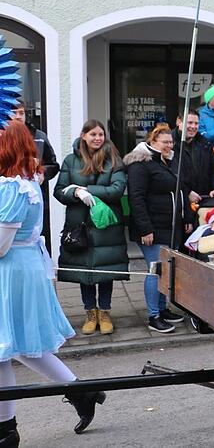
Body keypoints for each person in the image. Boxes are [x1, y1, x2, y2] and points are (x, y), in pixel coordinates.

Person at [0, 122, 107, 442]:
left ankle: (6, 429)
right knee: (17, 347)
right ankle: (81, 393)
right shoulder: (25, 182)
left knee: (5, 348)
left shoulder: (13, 187)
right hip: (23, 267)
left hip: (14, 271)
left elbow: (1, 245)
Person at [53, 120, 129, 336]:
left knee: (105, 271)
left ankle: (105, 312)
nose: (97, 138)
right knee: (84, 271)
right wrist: (75, 193)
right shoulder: (70, 160)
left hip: (106, 227)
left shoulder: (114, 159)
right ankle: (90, 312)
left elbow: (117, 189)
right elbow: (59, 191)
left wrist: (86, 189)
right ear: (84, 136)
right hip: (79, 226)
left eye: (101, 135)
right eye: (93, 134)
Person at [124, 123, 194, 333]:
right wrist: (146, 229)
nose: (169, 145)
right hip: (152, 227)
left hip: (171, 226)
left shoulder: (169, 161)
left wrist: (187, 217)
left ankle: (163, 309)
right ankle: (153, 315)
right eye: (164, 142)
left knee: (166, 269)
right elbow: (136, 198)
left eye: (171, 141)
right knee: (156, 270)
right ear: (152, 142)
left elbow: (182, 191)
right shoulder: (140, 164)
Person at [12, 100, 59, 250]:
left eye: (22, 113)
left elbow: (54, 165)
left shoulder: (39, 136)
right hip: (9, 199)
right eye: (14, 113)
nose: (19, 117)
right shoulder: (3, 138)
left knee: (37, 239)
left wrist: (42, 172)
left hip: (35, 199)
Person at [176, 110, 214, 202]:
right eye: (190, 123)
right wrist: (186, 192)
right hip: (179, 201)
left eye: (196, 123)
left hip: (204, 199)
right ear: (179, 122)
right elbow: (169, 175)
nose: (193, 127)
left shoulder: (205, 143)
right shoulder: (170, 144)